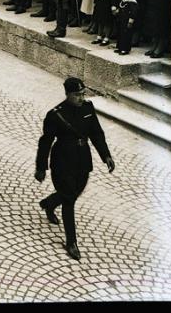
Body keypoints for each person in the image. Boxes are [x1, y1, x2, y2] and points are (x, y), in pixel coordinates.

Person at [35, 77, 116, 261]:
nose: (81, 98)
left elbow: (97, 133)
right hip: (62, 161)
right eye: (77, 95)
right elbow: (45, 142)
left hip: (83, 160)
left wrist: (106, 156)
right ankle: (71, 241)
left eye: (83, 94)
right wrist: (41, 167)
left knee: (74, 191)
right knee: (69, 199)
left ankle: (49, 203)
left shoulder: (88, 108)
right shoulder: (55, 115)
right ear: (68, 95)